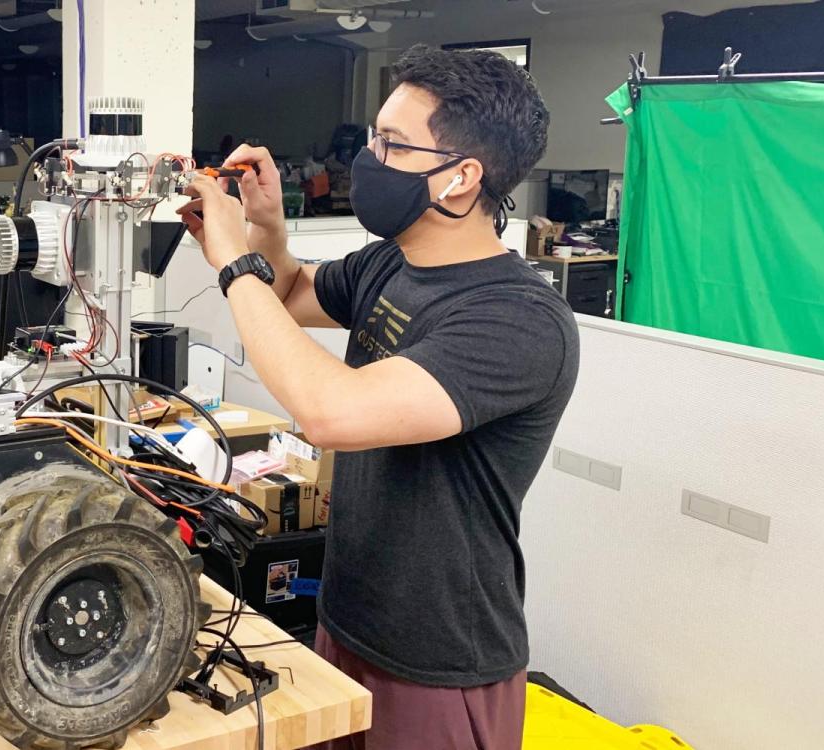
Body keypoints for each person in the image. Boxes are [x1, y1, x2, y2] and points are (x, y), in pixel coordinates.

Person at [179, 44, 578, 750]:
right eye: (374, 138)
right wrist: (267, 224)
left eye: (393, 146)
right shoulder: (393, 261)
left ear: (460, 179)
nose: (370, 159)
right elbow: (293, 292)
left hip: (439, 660)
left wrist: (235, 259)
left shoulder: (517, 319)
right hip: (349, 619)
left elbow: (335, 413)